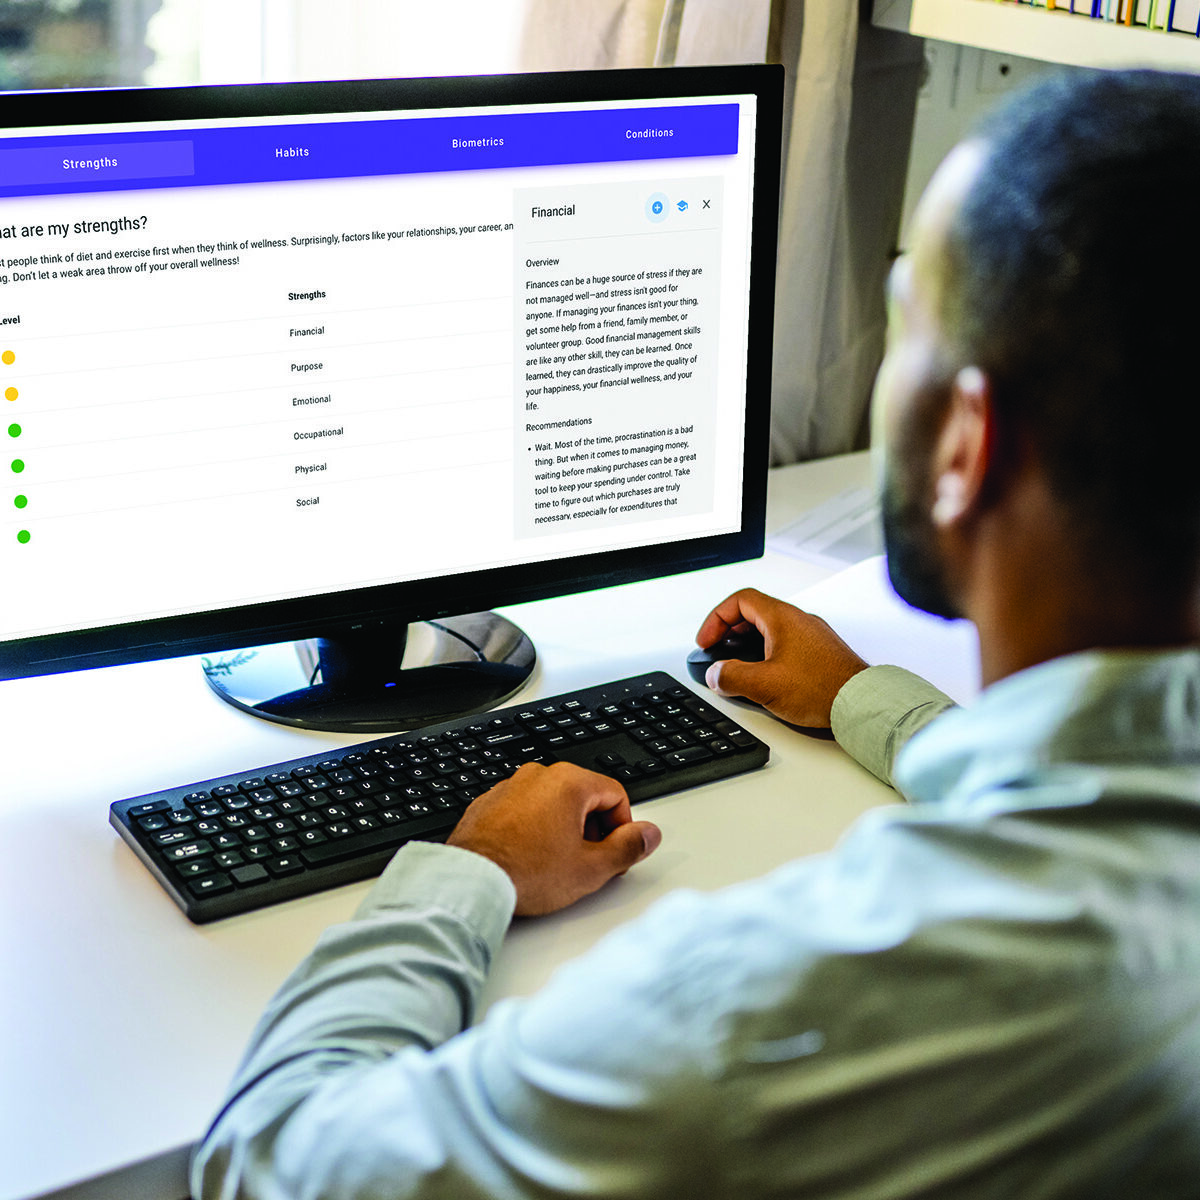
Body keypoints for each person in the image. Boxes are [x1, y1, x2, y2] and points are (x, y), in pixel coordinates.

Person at [192, 69, 1200, 1199]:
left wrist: (467, 872)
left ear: (968, 442)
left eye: (905, 314)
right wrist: (865, 698)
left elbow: (274, 1166)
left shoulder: (760, 1016)